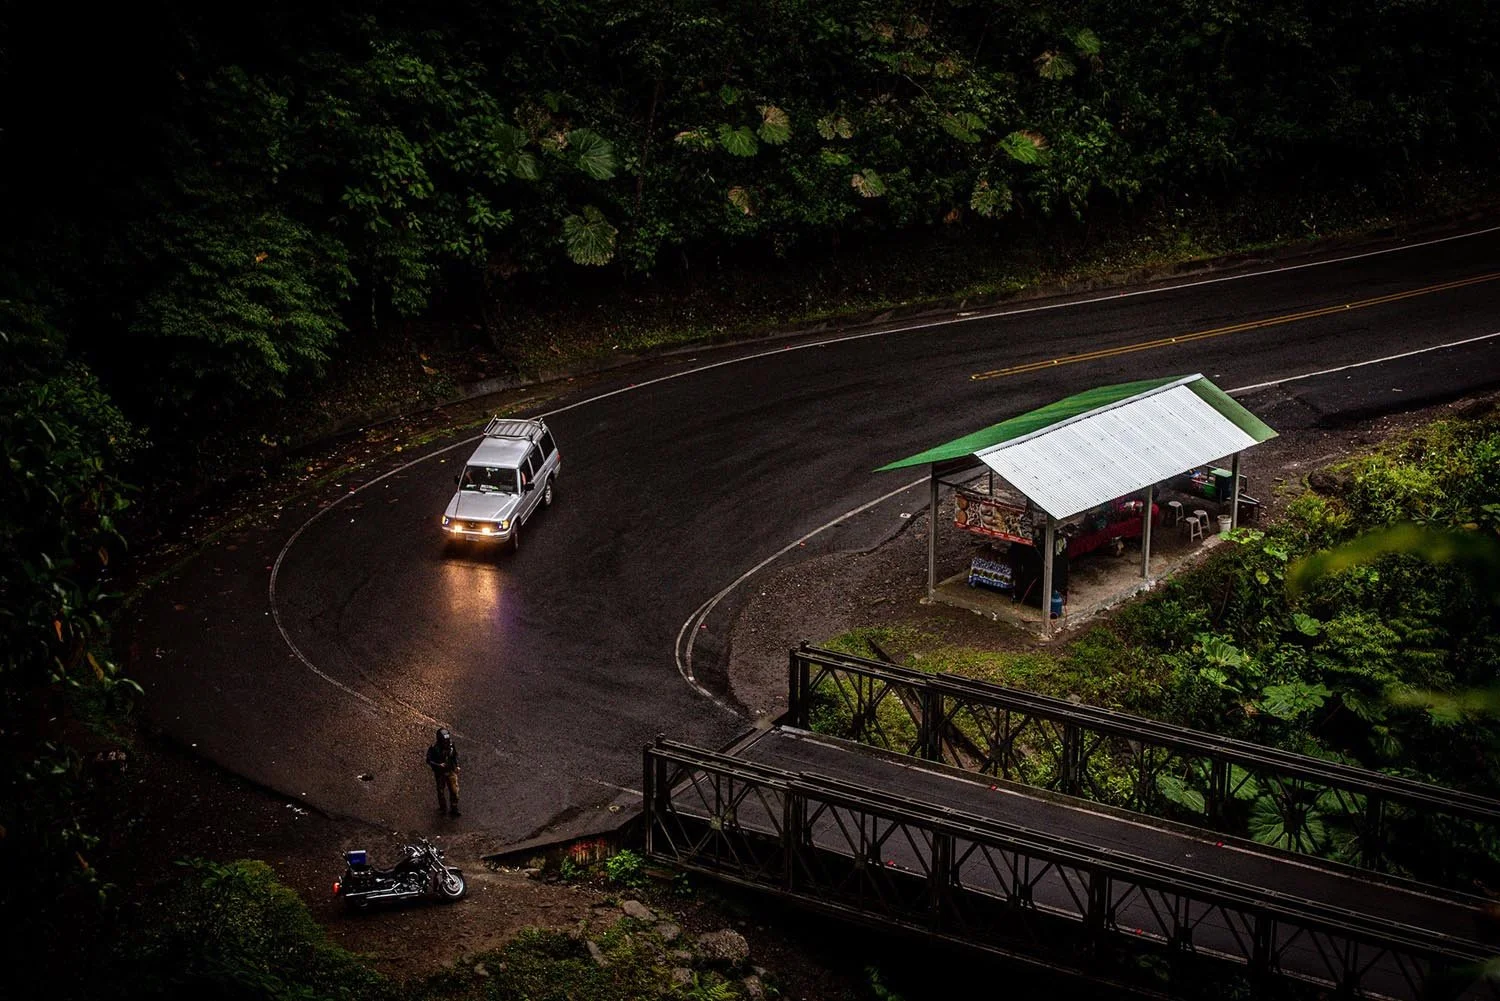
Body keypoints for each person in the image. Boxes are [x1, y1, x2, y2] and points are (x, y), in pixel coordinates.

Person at [426, 728, 460, 817]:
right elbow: (429, 760)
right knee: (441, 791)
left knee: (454, 790)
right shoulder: (434, 748)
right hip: (440, 773)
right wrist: (438, 765)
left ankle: (454, 807)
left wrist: (456, 765)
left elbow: (455, 756)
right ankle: (443, 808)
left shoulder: (451, 745)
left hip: (451, 770)